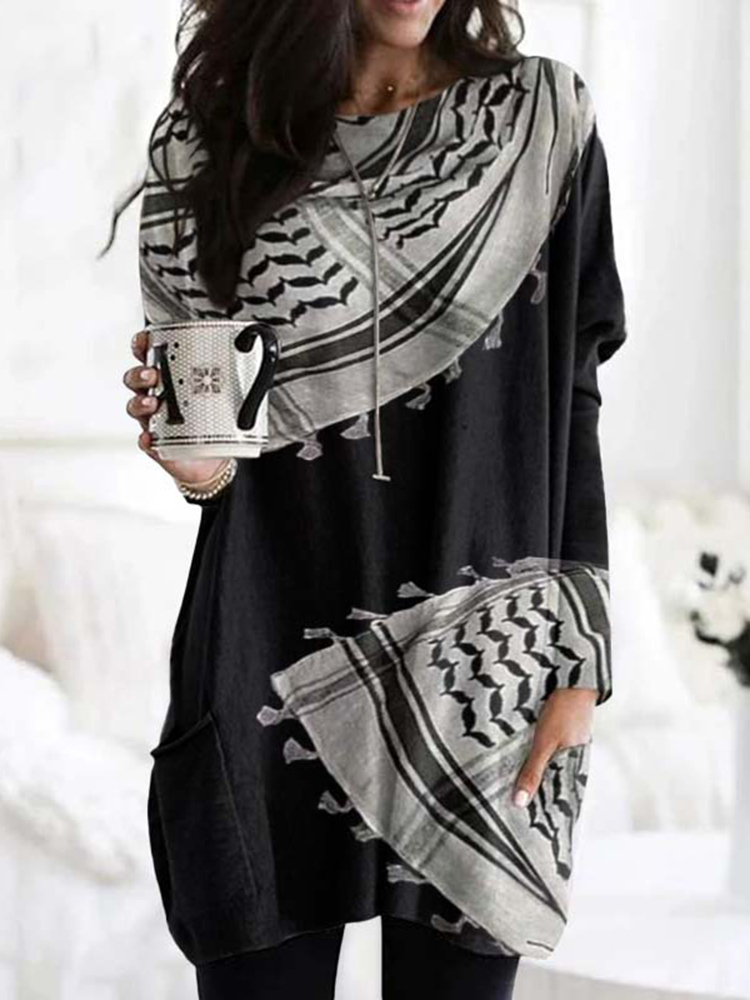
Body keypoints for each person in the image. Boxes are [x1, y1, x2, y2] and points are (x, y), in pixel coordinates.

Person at [116, 0, 628, 996]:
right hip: (263, 639)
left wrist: (581, 659)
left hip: (484, 657)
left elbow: (575, 394)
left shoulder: (539, 120)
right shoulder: (208, 139)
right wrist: (192, 466)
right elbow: (212, 441)